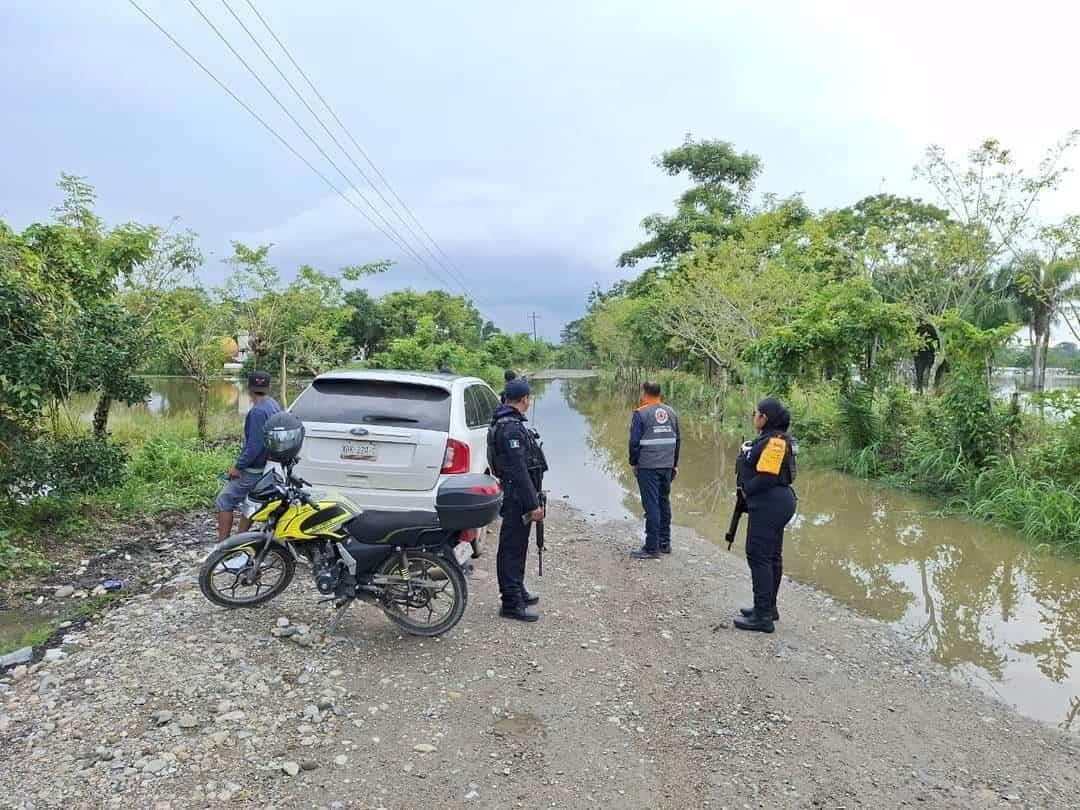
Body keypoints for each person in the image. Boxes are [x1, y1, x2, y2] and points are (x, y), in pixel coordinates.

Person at [733, 398, 798, 633]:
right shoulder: (772, 439)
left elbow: (767, 477)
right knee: (771, 556)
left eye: (756, 413)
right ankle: (768, 607)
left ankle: (763, 616)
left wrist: (747, 490)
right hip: (776, 502)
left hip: (771, 503)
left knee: (759, 556)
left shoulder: (776, 442)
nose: (754, 416)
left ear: (765, 418)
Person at [487, 378, 547, 622]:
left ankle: (517, 589)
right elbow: (518, 469)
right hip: (516, 497)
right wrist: (532, 504)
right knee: (512, 548)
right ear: (525, 399)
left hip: (518, 494)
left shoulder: (508, 422)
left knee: (518, 547)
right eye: (529, 398)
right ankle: (510, 602)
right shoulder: (510, 427)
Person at [215, 370, 281, 541]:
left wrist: (238, 467)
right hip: (268, 467)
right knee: (251, 503)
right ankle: (240, 542)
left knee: (224, 500)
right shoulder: (273, 404)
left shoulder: (257, 412)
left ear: (248, 389)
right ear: (268, 387)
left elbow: (254, 446)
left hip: (254, 468)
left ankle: (223, 548)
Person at [628, 382, 680, 560]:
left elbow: (634, 443)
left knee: (651, 505)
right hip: (667, 465)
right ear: (660, 393)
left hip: (648, 466)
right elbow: (677, 439)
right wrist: (674, 464)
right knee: (663, 502)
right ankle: (665, 543)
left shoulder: (640, 413)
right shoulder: (671, 412)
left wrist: (634, 463)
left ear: (644, 393)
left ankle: (651, 547)